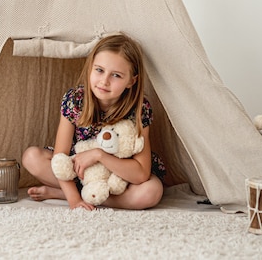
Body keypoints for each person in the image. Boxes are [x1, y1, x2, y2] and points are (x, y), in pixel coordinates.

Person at [22, 33, 165, 210]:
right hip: (80, 170)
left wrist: (99, 155)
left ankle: (66, 194)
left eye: (117, 75)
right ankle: (77, 193)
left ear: (131, 81)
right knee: (31, 157)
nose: (104, 81)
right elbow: (61, 158)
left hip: (117, 177)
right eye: (99, 70)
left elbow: (141, 173)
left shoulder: (139, 109)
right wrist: (74, 201)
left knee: (151, 191)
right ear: (90, 68)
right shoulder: (75, 100)